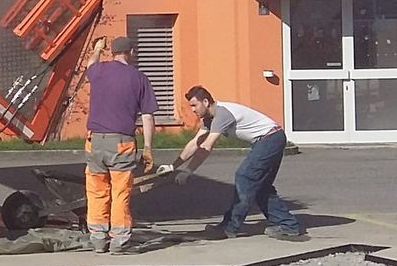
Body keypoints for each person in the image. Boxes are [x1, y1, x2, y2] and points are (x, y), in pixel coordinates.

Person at [175, 85, 305, 241]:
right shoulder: (209, 119)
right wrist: (173, 166)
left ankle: (229, 227)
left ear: (205, 102)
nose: (193, 110)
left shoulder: (222, 115)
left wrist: (188, 171)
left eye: (194, 105)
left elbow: (206, 146)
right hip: (268, 140)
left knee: (245, 177)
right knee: (260, 187)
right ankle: (288, 225)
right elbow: (195, 143)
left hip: (270, 138)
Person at [83, 35, 158, 254]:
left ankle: (97, 239)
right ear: (131, 52)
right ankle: (118, 241)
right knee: (120, 192)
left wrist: (97, 49)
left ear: (112, 53)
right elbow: (147, 117)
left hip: (95, 140)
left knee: (96, 190)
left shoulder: (98, 71)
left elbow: (90, 65)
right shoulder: (139, 78)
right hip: (122, 142)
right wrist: (147, 147)